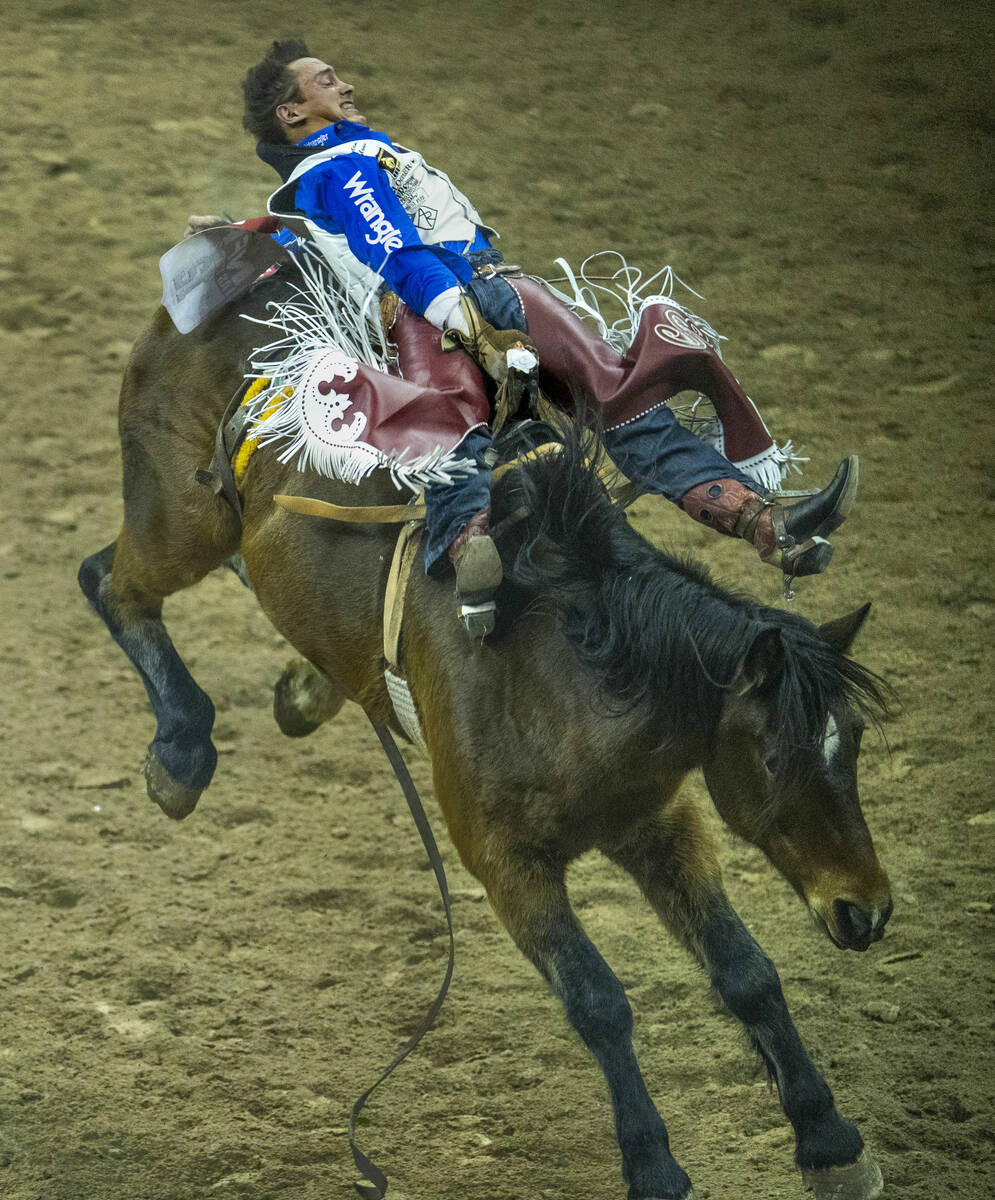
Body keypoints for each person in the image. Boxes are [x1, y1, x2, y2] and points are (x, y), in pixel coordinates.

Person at [227, 39, 857, 631]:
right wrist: (468, 325)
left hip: (472, 298)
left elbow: (331, 235)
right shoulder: (342, 167)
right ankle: (758, 522)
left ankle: (476, 565)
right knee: (603, 402)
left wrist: (251, 227)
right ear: (292, 111)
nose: (347, 83)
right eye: (327, 80)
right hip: (451, 304)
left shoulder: (340, 164)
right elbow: (397, 252)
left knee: (454, 430)